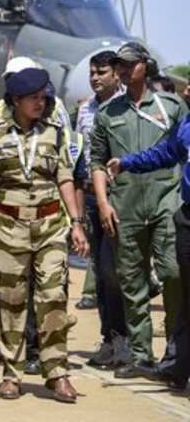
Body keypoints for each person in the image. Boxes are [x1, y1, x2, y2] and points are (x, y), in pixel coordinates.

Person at [0, 67, 89, 403]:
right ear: (16, 100)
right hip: (9, 228)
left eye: (44, 97)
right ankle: (11, 374)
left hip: (50, 226)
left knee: (53, 298)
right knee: (11, 302)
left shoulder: (54, 132)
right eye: (34, 98)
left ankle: (57, 373)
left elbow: (65, 178)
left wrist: (76, 222)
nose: (41, 103)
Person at [91, 42, 187, 379]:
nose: (123, 69)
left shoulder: (173, 106)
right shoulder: (107, 114)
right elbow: (97, 163)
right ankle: (142, 355)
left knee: (173, 273)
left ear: (145, 66)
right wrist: (103, 203)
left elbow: (180, 152)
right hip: (124, 207)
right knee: (131, 282)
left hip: (167, 201)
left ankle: (175, 355)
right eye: (119, 64)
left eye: (130, 64)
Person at [107, 115, 190, 397]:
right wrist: (127, 162)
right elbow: (167, 152)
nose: (188, 90)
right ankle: (176, 368)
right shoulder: (187, 123)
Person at [74, 51, 130, 370]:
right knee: (100, 268)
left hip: (120, 194)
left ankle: (126, 339)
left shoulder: (126, 106)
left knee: (117, 270)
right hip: (93, 196)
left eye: (102, 72)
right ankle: (109, 338)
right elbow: (82, 158)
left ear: (116, 74)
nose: (96, 77)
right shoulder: (85, 110)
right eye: (92, 72)